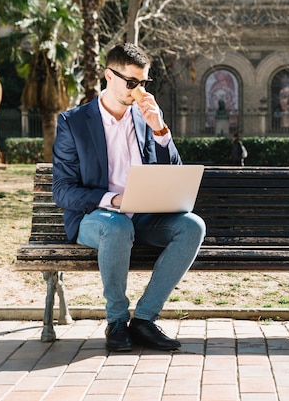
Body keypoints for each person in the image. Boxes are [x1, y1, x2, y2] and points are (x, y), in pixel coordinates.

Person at [52, 43, 206, 352]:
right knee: (117, 226)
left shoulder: (144, 120)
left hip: (144, 216)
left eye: (144, 83)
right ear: (110, 76)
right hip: (95, 218)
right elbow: (62, 190)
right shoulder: (74, 123)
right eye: (131, 82)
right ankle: (117, 322)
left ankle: (144, 320)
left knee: (192, 226)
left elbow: (172, 171)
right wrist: (112, 199)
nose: (138, 91)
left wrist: (161, 130)